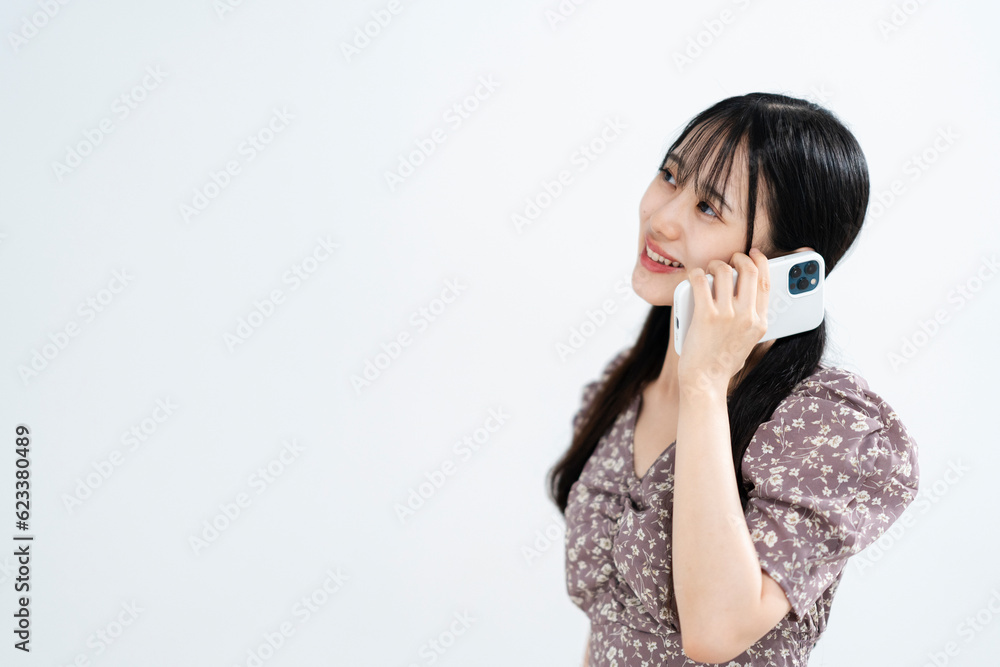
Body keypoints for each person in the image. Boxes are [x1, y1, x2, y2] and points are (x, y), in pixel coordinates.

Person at [547, 92, 920, 666]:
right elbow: (608, 631)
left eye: (707, 207)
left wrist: (705, 383)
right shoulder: (622, 389)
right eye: (670, 176)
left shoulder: (827, 429)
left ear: (782, 268)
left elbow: (714, 631)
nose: (662, 218)